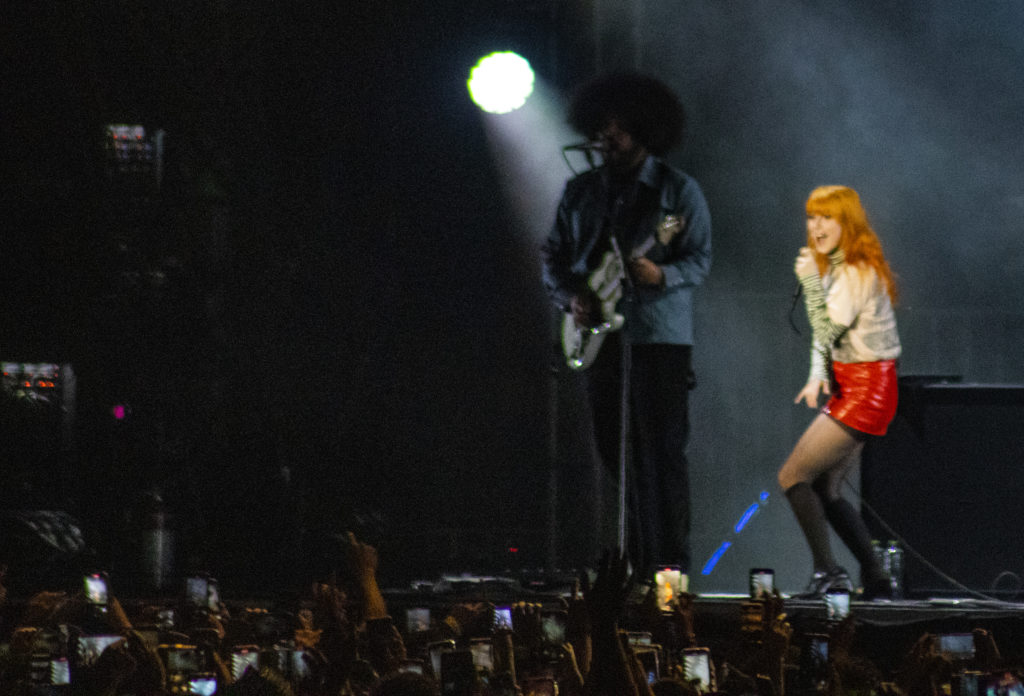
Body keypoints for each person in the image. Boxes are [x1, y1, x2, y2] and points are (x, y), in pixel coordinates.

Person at [541, 72, 712, 581]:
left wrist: (663, 272)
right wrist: (572, 296)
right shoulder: (581, 191)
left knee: (662, 453)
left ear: (643, 128)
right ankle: (636, 558)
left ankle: (671, 566)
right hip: (602, 340)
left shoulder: (677, 193)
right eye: (603, 124)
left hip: (659, 338)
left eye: (619, 124)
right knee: (615, 453)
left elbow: (700, 258)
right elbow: (552, 254)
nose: (608, 133)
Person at [778, 185, 902, 599]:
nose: (816, 226)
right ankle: (876, 576)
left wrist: (810, 283)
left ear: (846, 222)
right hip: (862, 385)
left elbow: (827, 331)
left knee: (793, 476)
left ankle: (829, 573)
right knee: (826, 488)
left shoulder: (855, 272)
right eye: (811, 217)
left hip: (867, 388)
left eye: (827, 217)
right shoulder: (846, 268)